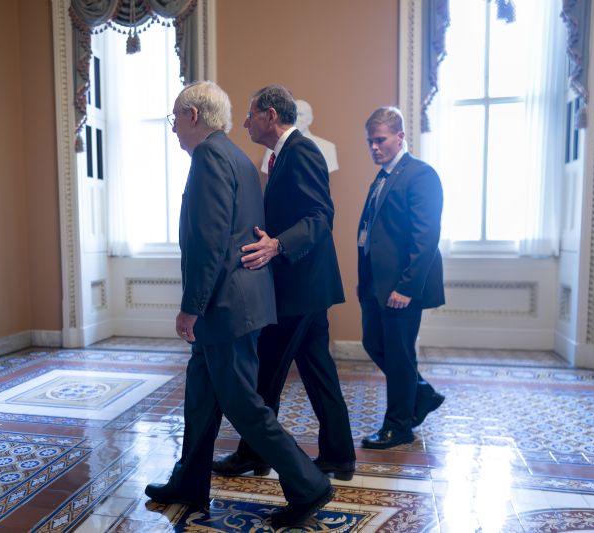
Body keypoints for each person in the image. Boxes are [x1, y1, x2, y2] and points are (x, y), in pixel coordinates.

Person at [144, 81, 334, 528]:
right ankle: (188, 483)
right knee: (200, 399)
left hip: (224, 308)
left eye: (175, 118)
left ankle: (309, 486)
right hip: (236, 303)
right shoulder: (236, 156)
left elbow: (210, 242)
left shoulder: (210, 156)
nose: (173, 128)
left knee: (244, 406)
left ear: (193, 116)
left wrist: (191, 306)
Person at [212, 84, 356, 481]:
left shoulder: (302, 151)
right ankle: (339, 454)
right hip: (306, 287)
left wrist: (276, 245)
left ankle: (252, 453)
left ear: (271, 115)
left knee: (266, 373)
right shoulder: (282, 155)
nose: (244, 123)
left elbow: (320, 217)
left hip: (300, 288)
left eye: (250, 114)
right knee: (317, 370)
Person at [357, 106, 446, 449]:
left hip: (401, 286)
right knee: (374, 343)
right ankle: (421, 394)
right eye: (370, 142)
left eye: (380, 140)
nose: (374, 147)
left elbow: (426, 237)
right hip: (375, 284)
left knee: (399, 353)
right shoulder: (383, 176)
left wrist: (406, 287)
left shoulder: (421, 175)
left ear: (400, 137)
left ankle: (398, 426)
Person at [260, 99, 339, 173]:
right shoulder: (273, 149)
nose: (296, 118)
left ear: (310, 119)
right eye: (293, 114)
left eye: (301, 114)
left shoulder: (327, 148)